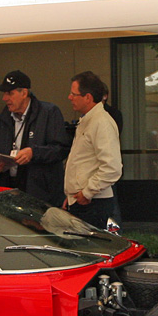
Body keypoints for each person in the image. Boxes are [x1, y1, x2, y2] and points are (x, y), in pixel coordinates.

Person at [0, 70, 71, 207]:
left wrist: (33, 153)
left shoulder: (48, 113)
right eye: (4, 94)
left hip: (41, 196)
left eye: (9, 93)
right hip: (9, 195)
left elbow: (60, 149)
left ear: (24, 93)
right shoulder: (2, 118)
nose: (4, 98)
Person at [63, 71, 122, 229]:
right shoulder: (87, 120)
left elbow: (112, 167)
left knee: (91, 251)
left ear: (88, 97)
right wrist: (71, 196)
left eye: (73, 94)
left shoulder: (101, 123)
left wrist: (87, 192)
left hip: (93, 203)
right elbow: (83, 162)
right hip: (81, 200)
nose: (70, 97)